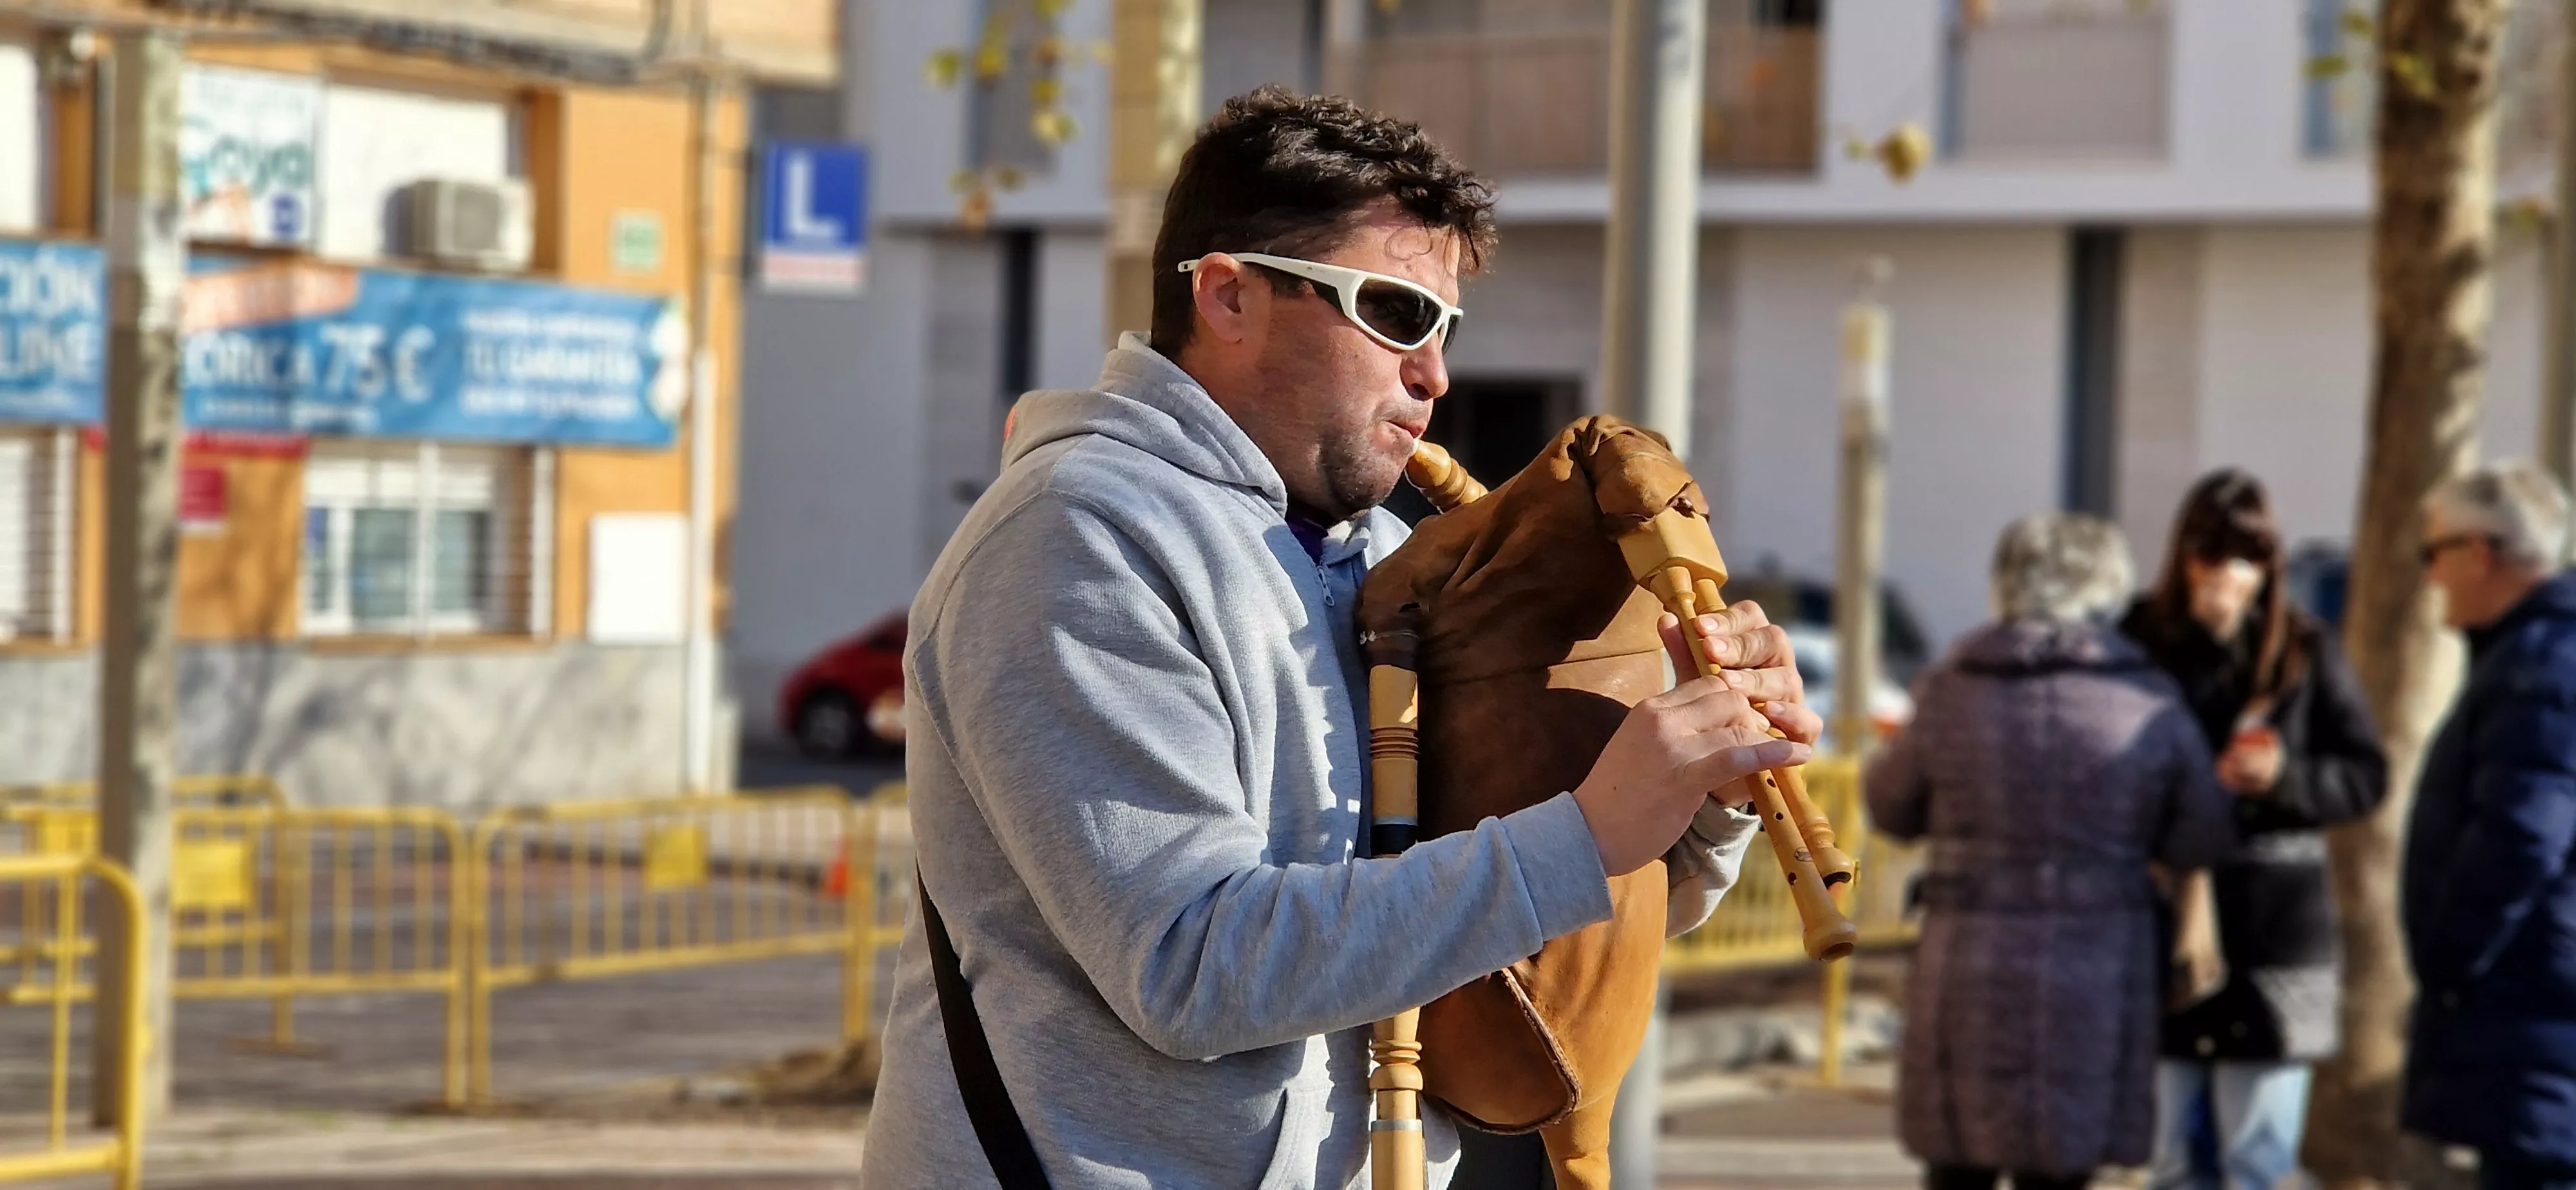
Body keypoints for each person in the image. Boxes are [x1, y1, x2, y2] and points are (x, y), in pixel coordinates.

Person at [859, 88, 1820, 1190]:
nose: (1436, 373)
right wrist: (1586, 834)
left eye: (1446, 328)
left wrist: (1701, 806)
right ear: (1228, 295)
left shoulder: (1375, 554)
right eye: (1398, 315)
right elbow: (1189, 965)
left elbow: (1502, 920)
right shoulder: (1073, 534)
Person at [1868, 512, 2237, 1190]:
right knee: (2064, 1162)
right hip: (2100, 958)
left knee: (1957, 1159)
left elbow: (1891, 808)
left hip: (1967, 957)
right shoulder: (2143, 698)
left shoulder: (1952, 690)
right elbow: (2200, 828)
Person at [2120, 471, 2387, 1190]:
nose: (2224, 572)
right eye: (2208, 552)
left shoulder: (2305, 648)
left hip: (2275, 931)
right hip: (2167, 917)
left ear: (2269, 563)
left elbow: (2365, 775)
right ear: (2182, 556)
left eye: (2245, 554)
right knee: (2171, 1160)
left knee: (2257, 1160)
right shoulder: (2139, 640)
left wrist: (2284, 777)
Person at [2401, 461, 2576, 1190]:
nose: (2430, 575)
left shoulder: (2540, 666)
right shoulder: (2531, 659)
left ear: (2481, 553)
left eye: (2432, 552)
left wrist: (2449, 957)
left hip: (2533, 1007)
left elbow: (2523, 835)